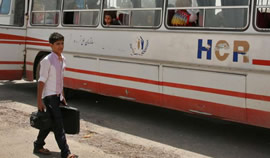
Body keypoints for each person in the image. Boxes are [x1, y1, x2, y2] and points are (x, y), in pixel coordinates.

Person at [33, 32, 77, 158]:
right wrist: (39, 101)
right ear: (51, 45)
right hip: (49, 97)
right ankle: (66, 153)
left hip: (57, 97)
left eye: (62, 43)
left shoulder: (63, 59)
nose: (60, 46)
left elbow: (60, 81)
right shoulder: (47, 60)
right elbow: (41, 82)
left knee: (49, 123)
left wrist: (63, 97)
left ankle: (38, 145)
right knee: (59, 125)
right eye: (57, 44)